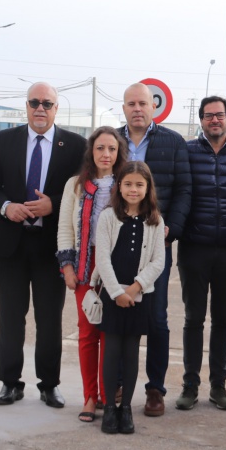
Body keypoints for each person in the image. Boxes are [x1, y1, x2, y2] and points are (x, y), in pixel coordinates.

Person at [0, 81, 87, 408]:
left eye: (47, 103)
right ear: (26, 106)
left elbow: (82, 191)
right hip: (11, 245)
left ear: (57, 109)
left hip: (50, 248)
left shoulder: (76, 145)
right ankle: (10, 383)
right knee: (11, 318)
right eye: (34, 102)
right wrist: (6, 207)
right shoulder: (6, 140)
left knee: (49, 319)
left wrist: (53, 204)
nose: (40, 108)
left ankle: (49, 385)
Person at [175, 96, 226, 412]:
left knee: (222, 319)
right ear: (201, 120)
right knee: (194, 318)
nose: (214, 120)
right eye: (208, 116)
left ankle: (218, 386)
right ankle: (190, 385)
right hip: (194, 248)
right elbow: (182, 193)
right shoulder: (188, 151)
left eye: (220, 115)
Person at [117, 83, 191, 417]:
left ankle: (155, 389)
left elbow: (185, 189)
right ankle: (118, 384)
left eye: (142, 103)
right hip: (118, 244)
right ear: (124, 108)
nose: (137, 109)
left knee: (157, 318)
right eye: (131, 103)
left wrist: (170, 229)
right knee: (119, 314)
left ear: (154, 107)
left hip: (156, 244)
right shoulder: (112, 141)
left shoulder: (173, 143)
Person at [56, 126, 127, 422]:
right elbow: (64, 229)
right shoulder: (75, 185)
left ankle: (108, 395)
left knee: (112, 334)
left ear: (119, 152)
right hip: (85, 267)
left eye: (111, 149)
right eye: (100, 148)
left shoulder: (126, 184)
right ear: (91, 152)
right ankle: (89, 396)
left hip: (117, 267)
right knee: (88, 333)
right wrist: (68, 267)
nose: (106, 154)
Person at [93, 161, 166, 435]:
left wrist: (135, 289)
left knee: (132, 352)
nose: (133, 190)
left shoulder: (155, 220)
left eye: (139, 184)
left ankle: (126, 411)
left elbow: (158, 262)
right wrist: (116, 292)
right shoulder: (108, 217)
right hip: (113, 295)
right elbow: (102, 258)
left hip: (138, 297)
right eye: (128, 184)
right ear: (119, 186)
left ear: (147, 188)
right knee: (112, 351)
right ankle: (111, 407)